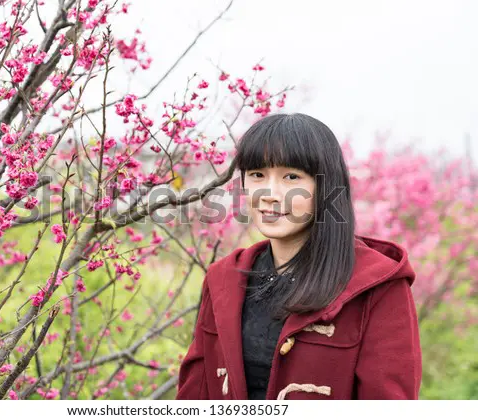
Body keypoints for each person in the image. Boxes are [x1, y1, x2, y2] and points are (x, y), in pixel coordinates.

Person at [175, 113, 422, 400]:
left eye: (291, 177)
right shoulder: (223, 280)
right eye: (257, 175)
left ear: (326, 187)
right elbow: (194, 397)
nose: (270, 193)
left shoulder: (377, 286)